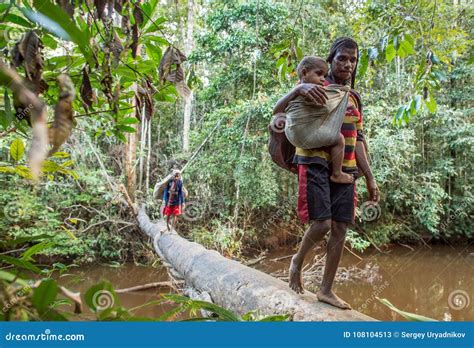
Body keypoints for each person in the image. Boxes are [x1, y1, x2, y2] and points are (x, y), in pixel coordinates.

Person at [273, 37, 380, 309]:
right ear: (331, 59)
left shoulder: (353, 97)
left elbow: (359, 139)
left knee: (341, 227)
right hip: (314, 162)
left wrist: (369, 176)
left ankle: (326, 290)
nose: (347, 64)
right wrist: (300, 90)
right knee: (321, 224)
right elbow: (277, 116)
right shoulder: (313, 86)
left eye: (353, 60)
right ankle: (297, 262)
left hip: (346, 168)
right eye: (342, 58)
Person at [286, 56, 353, 184]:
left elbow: (278, 109)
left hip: (292, 134)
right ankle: (337, 174)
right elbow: (329, 102)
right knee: (339, 139)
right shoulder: (312, 91)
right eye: (319, 74)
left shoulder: (297, 90)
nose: (323, 79)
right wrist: (344, 91)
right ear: (304, 73)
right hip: (304, 135)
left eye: (325, 75)